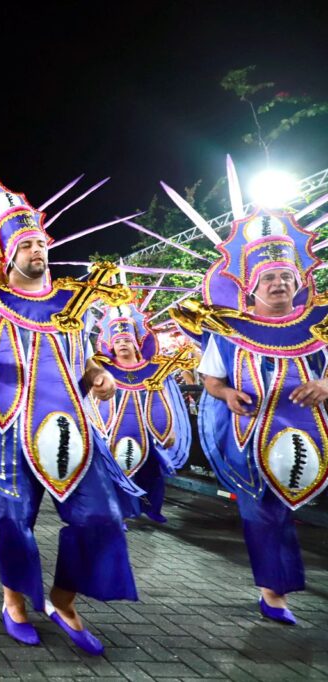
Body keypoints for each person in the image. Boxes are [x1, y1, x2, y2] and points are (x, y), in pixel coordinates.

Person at [0, 150, 139, 654]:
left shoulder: (72, 303)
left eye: (42, 241)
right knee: (14, 522)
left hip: (73, 428)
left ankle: (62, 601)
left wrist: (101, 378)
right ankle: (15, 602)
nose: (39, 249)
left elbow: (84, 362)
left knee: (101, 518)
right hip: (10, 426)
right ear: (9, 254)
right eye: (27, 244)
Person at [167, 159, 328, 625]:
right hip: (251, 431)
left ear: (298, 283)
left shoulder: (319, 325)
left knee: (287, 511)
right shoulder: (228, 332)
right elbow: (211, 380)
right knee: (263, 513)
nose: (279, 284)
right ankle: (273, 594)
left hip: (310, 432)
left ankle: (280, 585)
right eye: (269, 278)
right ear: (252, 286)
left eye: (285, 278)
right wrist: (226, 396)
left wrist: (322, 384)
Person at [91, 304, 193, 523]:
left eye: (126, 340)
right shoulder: (104, 368)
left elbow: (168, 400)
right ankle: (120, 514)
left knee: (152, 472)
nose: (122, 345)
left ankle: (152, 509)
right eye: (117, 341)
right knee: (116, 470)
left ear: (136, 343)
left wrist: (170, 429)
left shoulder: (155, 368)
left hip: (149, 430)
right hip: (113, 431)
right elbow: (93, 398)